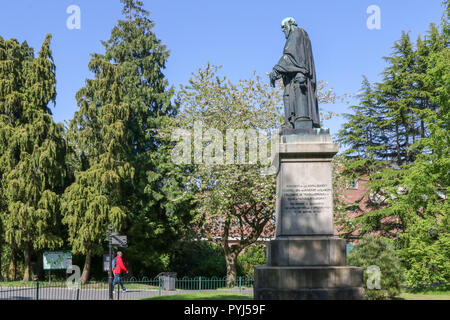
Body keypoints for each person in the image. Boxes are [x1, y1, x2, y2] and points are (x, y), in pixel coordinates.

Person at [269, 17, 321, 130]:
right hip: (294, 77)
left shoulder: (297, 32)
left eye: (283, 27)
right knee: (287, 96)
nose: (283, 30)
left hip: (299, 77)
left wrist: (276, 70)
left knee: (293, 98)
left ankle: (297, 124)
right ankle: (290, 123)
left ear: (290, 24)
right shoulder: (302, 34)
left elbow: (290, 54)